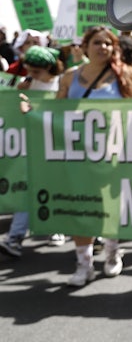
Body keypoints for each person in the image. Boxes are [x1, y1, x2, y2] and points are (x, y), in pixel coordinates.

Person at [56, 25, 132, 287]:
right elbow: (54, 111)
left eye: (108, 43)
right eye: (97, 42)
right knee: (80, 207)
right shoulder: (69, 77)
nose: (103, 48)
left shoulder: (128, 75)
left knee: (109, 208)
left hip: (114, 157)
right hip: (77, 156)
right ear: (84, 47)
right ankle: (83, 264)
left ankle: (111, 253)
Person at [0, 45, 65, 258]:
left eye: (36, 72)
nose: (32, 75)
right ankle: (15, 238)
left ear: (49, 67)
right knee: (29, 188)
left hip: (57, 145)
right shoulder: (27, 83)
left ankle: (57, 229)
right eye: (29, 70)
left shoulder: (62, 84)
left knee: (56, 188)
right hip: (33, 145)